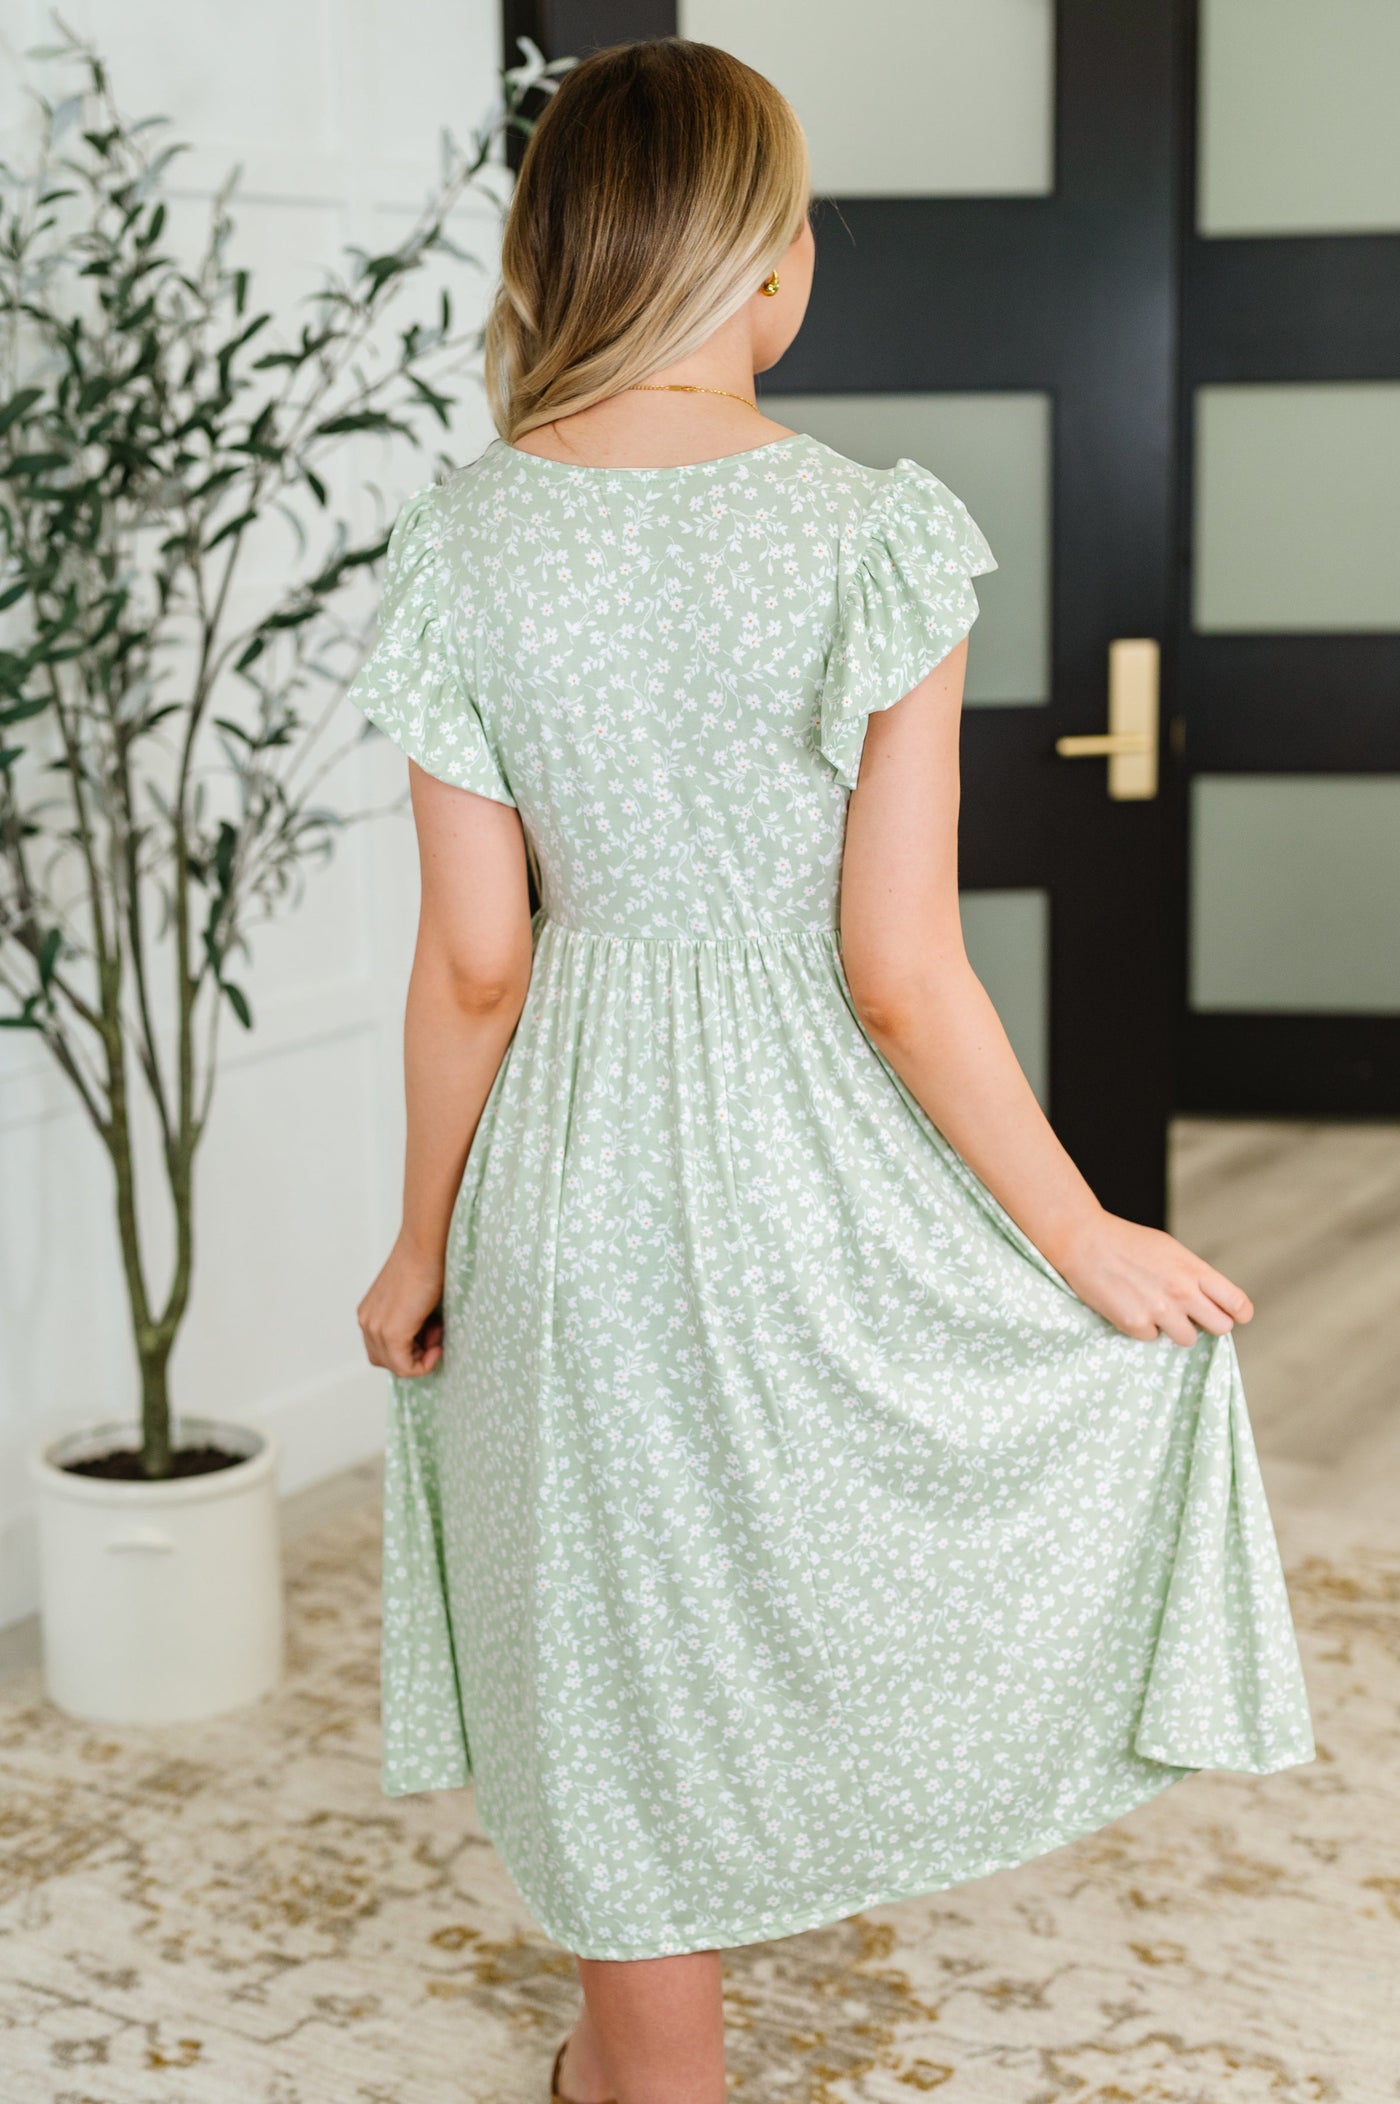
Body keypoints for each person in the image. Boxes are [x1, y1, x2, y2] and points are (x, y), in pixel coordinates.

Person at [346, 37, 1314, 2104]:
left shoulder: (461, 541)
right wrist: (1082, 1236)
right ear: (771, 265)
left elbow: (478, 960)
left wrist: (419, 1243)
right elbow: (898, 972)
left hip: (569, 1175)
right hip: (808, 1162)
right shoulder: (874, 534)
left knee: (608, 1640)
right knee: (795, 1555)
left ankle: (633, 2068)